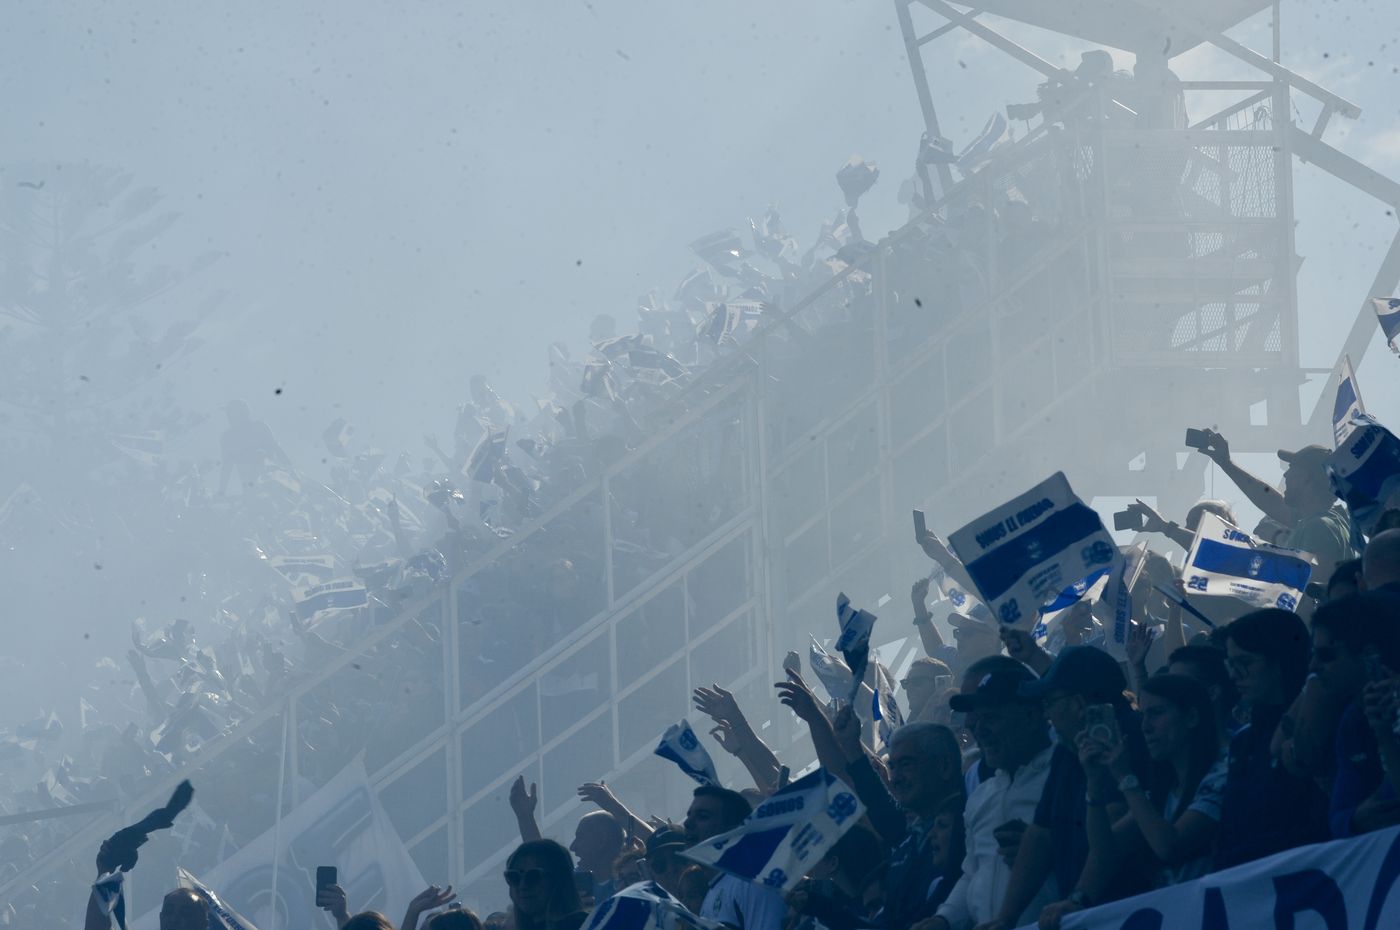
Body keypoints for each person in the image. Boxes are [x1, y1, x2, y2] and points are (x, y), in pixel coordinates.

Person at [987, 647, 1148, 930]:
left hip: (1132, 910)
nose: (1047, 714)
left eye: (1050, 702)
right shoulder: (1066, 750)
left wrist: (1079, 899)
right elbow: (1040, 834)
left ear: (1078, 704)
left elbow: (1116, 830)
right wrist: (1005, 919)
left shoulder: (1135, 738)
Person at [918, 664, 1057, 930]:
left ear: (1030, 716)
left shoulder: (1065, 775)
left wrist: (1052, 848)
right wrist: (944, 919)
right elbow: (971, 872)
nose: (979, 730)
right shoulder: (981, 795)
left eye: (991, 718)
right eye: (977, 720)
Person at [1081, 675, 1226, 892]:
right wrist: (1093, 784)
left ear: (1192, 717)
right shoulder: (1162, 791)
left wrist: (1126, 778)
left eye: (1156, 713)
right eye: (1142, 715)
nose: (1145, 727)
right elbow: (1104, 852)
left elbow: (1169, 846)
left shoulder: (1220, 777)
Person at [1213, 609, 1328, 869]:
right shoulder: (1243, 742)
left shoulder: (1318, 725)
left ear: (1280, 660)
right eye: (1231, 664)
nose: (1234, 675)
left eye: (1245, 663)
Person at [831, 711, 962, 927]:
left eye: (906, 764)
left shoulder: (964, 825)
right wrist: (851, 748)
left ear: (944, 765)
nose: (896, 778)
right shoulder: (911, 839)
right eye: (892, 766)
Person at [1194, 433, 1355, 583]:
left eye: (1291, 468)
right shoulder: (1327, 521)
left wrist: (1269, 560)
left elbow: (1327, 577)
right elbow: (1270, 501)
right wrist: (1226, 463)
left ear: (1305, 477)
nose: (1285, 475)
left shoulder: (1319, 526)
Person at [1308, 593, 1400, 836]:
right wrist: (1355, 820)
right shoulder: (1353, 721)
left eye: (1325, 656)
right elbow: (1338, 815)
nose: (1313, 667)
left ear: (1370, 654)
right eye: (1313, 655)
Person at [683, 785, 786, 930]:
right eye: (689, 815)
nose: (687, 823)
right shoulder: (714, 891)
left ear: (732, 830)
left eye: (703, 816)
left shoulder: (752, 882)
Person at [505, 839, 588, 930]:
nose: (522, 886)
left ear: (558, 879)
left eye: (533, 876)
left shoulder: (585, 926)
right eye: (513, 877)